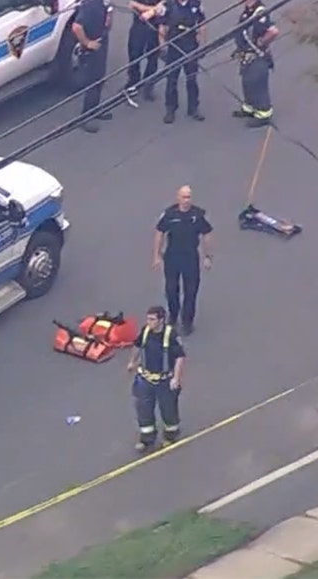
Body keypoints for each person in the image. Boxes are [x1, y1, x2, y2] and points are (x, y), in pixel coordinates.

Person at [153, 185, 213, 335]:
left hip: (190, 258)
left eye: (189, 197)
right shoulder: (169, 214)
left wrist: (207, 256)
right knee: (171, 290)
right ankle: (173, 316)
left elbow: (206, 234)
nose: (187, 200)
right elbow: (159, 233)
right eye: (184, 197)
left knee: (191, 291)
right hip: (172, 257)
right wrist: (156, 255)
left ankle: (187, 321)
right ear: (178, 198)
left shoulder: (198, 215)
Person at [125, 305, 186, 452]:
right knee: (143, 408)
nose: (149, 322)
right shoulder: (146, 331)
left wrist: (176, 379)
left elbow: (179, 357)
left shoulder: (170, 335)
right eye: (148, 319)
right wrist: (132, 362)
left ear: (161, 320)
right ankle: (147, 438)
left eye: (152, 319)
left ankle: (171, 435)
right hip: (145, 379)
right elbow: (137, 346)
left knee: (168, 408)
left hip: (164, 380)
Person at [71, 0, 114, 133]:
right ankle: (85, 116)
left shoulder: (104, 1)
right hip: (92, 47)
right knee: (92, 80)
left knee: (100, 77)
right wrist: (87, 43)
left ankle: (95, 109)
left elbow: (107, 21)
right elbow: (76, 26)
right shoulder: (90, 3)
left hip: (102, 42)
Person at [124, 0, 171, 102]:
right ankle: (133, 82)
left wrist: (153, 12)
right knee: (134, 54)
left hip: (154, 28)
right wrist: (150, 9)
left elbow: (166, 4)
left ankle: (148, 85)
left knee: (152, 58)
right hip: (138, 25)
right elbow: (131, 3)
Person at [232, 0, 279, 128]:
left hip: (257, 57)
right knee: (248, 82)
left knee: (257, 83)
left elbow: (273, 31)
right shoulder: (248, 10)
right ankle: (250, 108)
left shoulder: (259, 13)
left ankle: (263, 114)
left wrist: (262, 42)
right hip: (246, 55)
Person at [161, 0, 207, 124]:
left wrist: (203, 44)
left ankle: (193, 108)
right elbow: (161, 27)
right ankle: (170, 109)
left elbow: (202, 24)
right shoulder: (168, 5)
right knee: (171, 79)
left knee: (191, 79)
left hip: (190, 46)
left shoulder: (196, 4)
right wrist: (162, 46)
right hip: (174, 46)